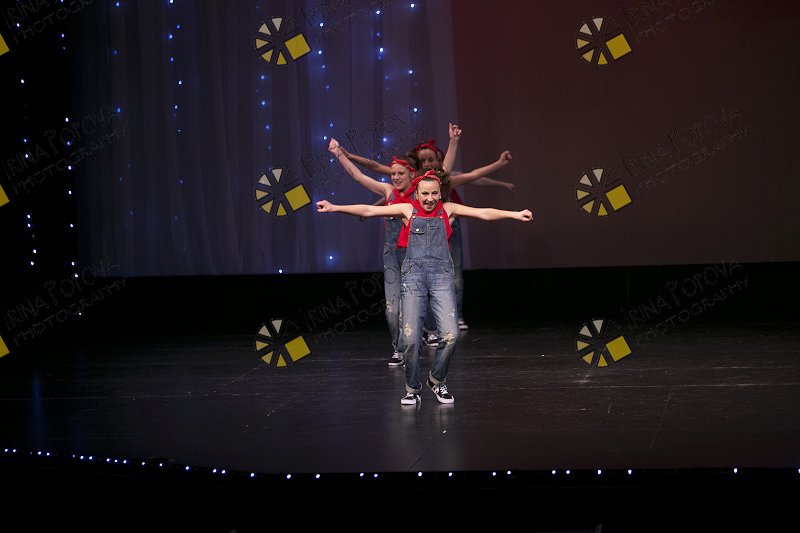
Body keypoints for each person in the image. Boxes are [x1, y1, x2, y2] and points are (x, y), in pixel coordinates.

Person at [316, 169, 532, 405]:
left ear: (440, 193)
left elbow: (483, 213)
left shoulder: (448, 209)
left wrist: (514, 214)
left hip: (441, 278)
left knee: (450, 335)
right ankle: (412, 388)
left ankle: (437, 380)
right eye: (425, 194)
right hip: (413, 279)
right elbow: (368, 210)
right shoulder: (406, 210)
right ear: (416, 194)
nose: (430, 199)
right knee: (410, 339)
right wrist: (335, 207)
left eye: (434, 193)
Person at [341, 126, 514, 334]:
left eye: (431, 160)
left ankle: (443, 323)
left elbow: (474, 180)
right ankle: (412, 336)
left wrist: (456, 143)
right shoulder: (403, 190)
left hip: (437, 233)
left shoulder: (435, 185)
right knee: (403, 299)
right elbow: (374, 178)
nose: (427, 164)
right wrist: (345, 156)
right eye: (422, 161)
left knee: (442, 280)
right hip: (403, 247)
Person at [327, 139, 418, 367]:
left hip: (415, 257)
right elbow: (359, 177)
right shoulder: (388, 191)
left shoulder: (420, 195)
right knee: (392, 309)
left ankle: (414, 344)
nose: (395, 177)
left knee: (411, 308)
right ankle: (398, 348)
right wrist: (339, 154)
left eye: (400, 174)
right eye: (393, 174)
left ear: (411, 175)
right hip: (392, 256)